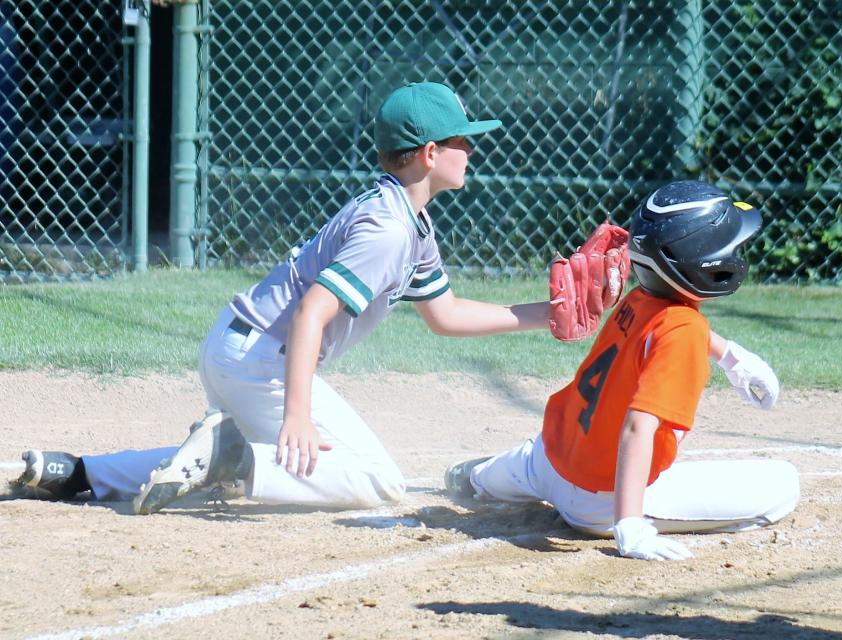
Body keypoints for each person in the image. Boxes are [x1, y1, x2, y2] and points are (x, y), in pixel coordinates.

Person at [14, 84, 779, 515]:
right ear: (427, 155)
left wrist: (541, 316)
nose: (472, 150)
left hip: (240, 349)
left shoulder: (408, 218)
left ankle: (79, 472)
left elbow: (445, 318)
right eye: (461, 141)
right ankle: (237, 459)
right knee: (372, 481)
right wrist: (298, 416)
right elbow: (314, 312)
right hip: (266, 359)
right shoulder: (387, 228)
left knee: (301, 458)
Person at [444, 180, 799, 561]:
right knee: (784, 485)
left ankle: (479, 478)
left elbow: (668, 328)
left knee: (481, 476)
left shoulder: (642, 296)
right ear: (706, 263)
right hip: (599, 501)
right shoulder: (685, 331)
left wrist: (731, 357)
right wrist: (628, 522)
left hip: (546, 459)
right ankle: (628, 515)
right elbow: (637, 427)